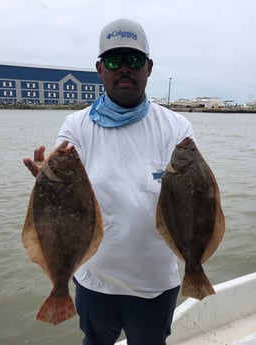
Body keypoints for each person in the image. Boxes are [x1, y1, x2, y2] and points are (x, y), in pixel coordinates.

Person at [24, 18, 195, 345]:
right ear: (100, 68)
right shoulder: (76, 124)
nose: (125, 68)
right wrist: (49, 175)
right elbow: (63, 156)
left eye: (134, 60)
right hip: (94, 281)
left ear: (149, 67)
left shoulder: (176, 128)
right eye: (115, 60)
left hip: (155, 285)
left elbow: (189, 203)